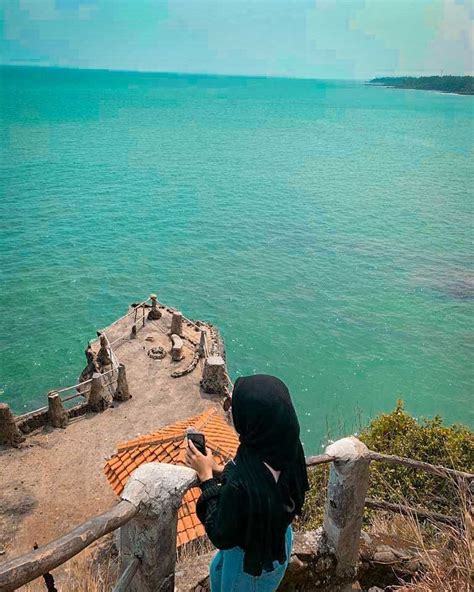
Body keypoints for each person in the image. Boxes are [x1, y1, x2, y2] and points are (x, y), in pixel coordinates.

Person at [185, 374, 309, 592]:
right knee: (218, 572)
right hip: (277, 541)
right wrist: (221, 470)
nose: (230, 410)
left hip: (250, 565)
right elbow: (262, 481)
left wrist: (206, 477)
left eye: (234, 406)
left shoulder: (241, 483)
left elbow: (220, 533)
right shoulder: (287, 447)